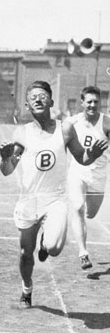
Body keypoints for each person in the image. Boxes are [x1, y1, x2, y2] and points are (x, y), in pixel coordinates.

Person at [0, 81, 107, 309]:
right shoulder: (22, 132)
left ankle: (45, 244)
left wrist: (92, 154)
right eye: (33, 97)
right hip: (29, 200)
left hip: (55, 198)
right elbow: (8, 170)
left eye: (42, 96)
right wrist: (5, 158)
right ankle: (26, 290)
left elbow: (82, 158)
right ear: (27, 105)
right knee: (25, 254)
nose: (38, 100)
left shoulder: (65, 128)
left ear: (51, 101)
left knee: (55, 247)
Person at [66, 86, 110, 270]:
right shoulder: (71, 122)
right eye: (89, 102)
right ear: (82, 102)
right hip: (78, 172)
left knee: (90, 214)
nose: (92, 105)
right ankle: (83, 252)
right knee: (77, 207)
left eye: (96, 102)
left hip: (98, 175)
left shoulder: (107, 123)